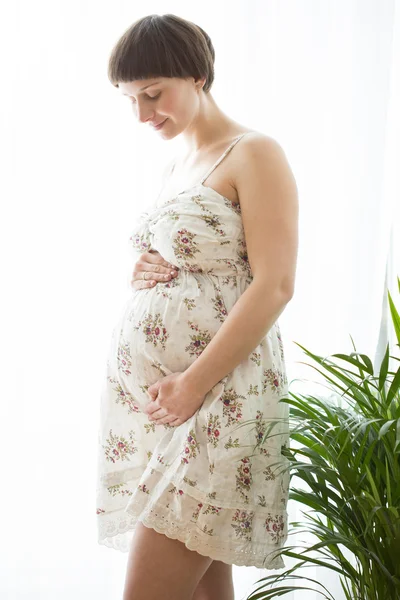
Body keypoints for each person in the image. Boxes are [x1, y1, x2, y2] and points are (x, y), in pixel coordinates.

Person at [96, 13, 299, 600]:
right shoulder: (175, 165)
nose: (142, 114)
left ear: (197, 74)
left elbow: (276, 283)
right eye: (130, 99)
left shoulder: (254, 152)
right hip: (168, 406)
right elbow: (196, 261)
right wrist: (144, 270)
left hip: (219, 395)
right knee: (209, 591)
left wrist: (191, 384)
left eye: (153, 94)